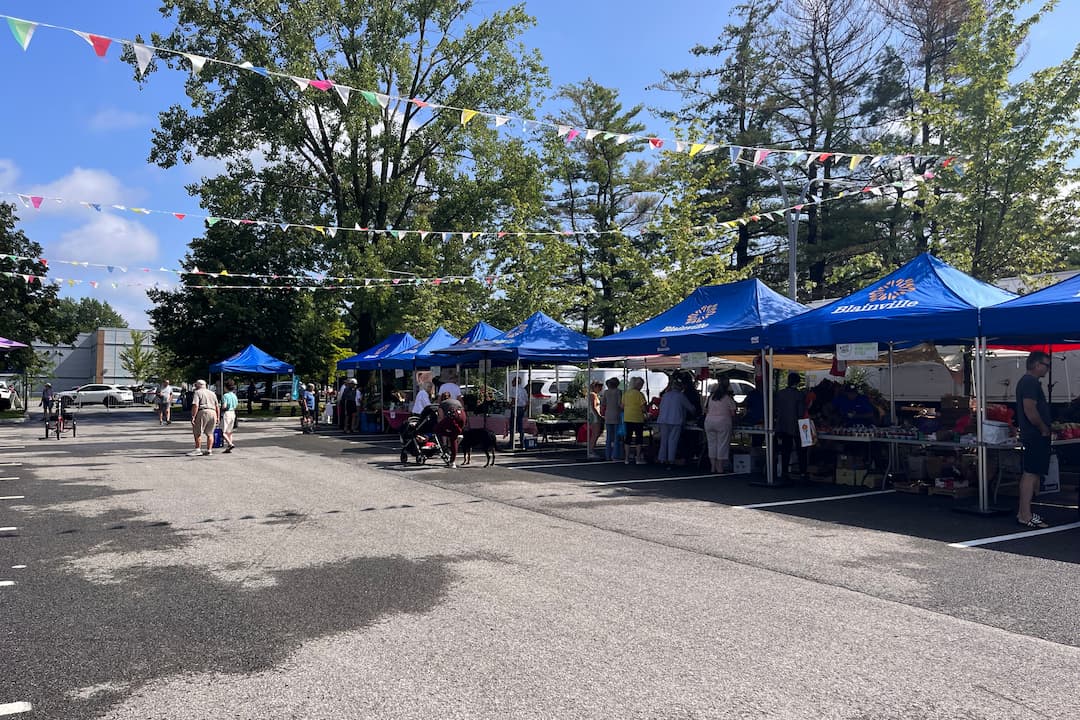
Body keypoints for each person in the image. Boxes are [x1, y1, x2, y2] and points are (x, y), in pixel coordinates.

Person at [1016, 351, 1053, 528]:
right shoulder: (1029, 382)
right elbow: (1029, 409)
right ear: (1037, 365)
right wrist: (1043, 428)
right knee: (1030, 473)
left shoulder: (1028, 382)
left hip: (1033, 434)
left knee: (1032, 472)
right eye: (1046, 365)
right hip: (1035, 435)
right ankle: (1025, 514)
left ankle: (1024, 512)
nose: (1048, 369)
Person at [774, 372, 808, 481]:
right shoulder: (799, 395)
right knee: (801, 450)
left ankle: (784, 472)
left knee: (785, 450)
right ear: (797, 382)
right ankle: (803, 473)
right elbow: (801, 412)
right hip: (796, 425)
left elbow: (776, 409)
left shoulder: (780, 393)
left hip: (782, 424)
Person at [656, 380, 696, 469]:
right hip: (675, 420)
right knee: (672, 441)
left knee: (664, 441)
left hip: (663, 420)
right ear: (680, 388)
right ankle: (671, 460)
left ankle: (661, 459)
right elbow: (690, 408)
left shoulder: (665, 395)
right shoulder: (681, 396)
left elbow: (661, 407)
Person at [704, 378, 738, 474]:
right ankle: (720, 467)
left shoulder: (711, 397)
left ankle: (712, 466)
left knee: (711, 444)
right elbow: (733, 413)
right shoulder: (728, 398)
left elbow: (706, 409)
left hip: (709, 421)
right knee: (722, 444)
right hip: (723, 422)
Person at [188, 379, 220, 456]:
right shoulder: (212, 393)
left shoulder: (197, 392)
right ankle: (209, 450)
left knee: (197, 432)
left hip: (202, 411)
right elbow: (217, 406)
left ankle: (198, 449)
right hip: (213, 412)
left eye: (196, 385)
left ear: (198, 385)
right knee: (210, 433)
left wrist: (193, 416)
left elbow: (196, 405)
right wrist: (218, 417)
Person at [436, 391, 467, 468]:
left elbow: (440, 417)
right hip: (462, 416)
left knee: (436, 429)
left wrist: (442, 426)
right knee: (454, 436)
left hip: (453, 415)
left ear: (442, 398)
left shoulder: (442, 404)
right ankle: (452, 461)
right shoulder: (456, 401)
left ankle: (452, 461)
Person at [621, 377, 648, 465]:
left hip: (627, 418)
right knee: (639, 439)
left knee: (628, 438)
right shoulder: (639, 394)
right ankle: (638, 458)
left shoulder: (626, 393)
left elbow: (622, 406)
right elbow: (643, 408)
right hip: (637, 418)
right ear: (638, 385)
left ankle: (626, 458)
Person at [601, 377, 623, 461]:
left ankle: (608, 455)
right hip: (616, 414)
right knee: (616, 437)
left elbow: (603, 403)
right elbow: (619, 403)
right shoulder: (618, 391)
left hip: (608, 415)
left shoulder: (606, 392)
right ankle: (615, 455)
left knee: (608, 437)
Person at [586, 381, 604, 459]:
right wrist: (598, 416)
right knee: (595, 434)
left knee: (595, 434)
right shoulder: (593, 395)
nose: (600, 389)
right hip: (594, 416)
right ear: (595, 387)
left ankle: (591, 450)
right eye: (599, 387)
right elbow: (593, 407)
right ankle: (590, 451)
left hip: (593, 416)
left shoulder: (594, 395)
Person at [220, 379, 239, 452]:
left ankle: (230, 444)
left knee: (222, 431)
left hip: (226, 413)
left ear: (225, 387)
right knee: (229, 431)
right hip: (233, 413)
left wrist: (221, 407)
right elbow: (236, 405)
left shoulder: (225, 396)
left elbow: (224, 406)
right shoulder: (234, 395)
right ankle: (228, 447)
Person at [510, 377, 528, 450]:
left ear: (515, 382)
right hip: (522, 408)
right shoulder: (523, 390)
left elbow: (514, 399)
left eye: (513, 381)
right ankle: (522, 443)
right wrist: (525, 409)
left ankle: (511, 443)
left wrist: (510, 405)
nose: (512, 382)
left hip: (515, 408)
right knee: (520, 426)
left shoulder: (514, 389)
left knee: (512, 426)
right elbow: (527, 401)